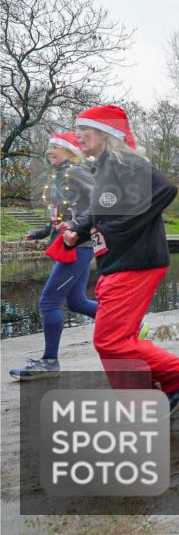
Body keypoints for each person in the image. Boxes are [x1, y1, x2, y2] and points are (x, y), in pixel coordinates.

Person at [62, 105, 179, 414]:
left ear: (106, 133)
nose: (79, 137)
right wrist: (75, 230)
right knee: (118, 339)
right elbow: (100, 213)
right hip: (120, 261)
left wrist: (118, 230)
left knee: (110, 340)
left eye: (85, 130)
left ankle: (175, 378)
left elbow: (165, 190)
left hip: (137, 261)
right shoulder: (106, 166)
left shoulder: (125, 162)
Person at [10, 133, 99, 380]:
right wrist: (39, 233)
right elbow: (59, 216)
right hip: (71, 244)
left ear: (69, 150)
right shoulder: (62, 175)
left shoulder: (76, 171)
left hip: (77, 245)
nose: (49, 151)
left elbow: (99, 204)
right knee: (77, 302)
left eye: (54, 147)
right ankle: (130, 324)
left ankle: (50, 362)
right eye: (48, 147)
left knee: (48, 302)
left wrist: (74, 225)